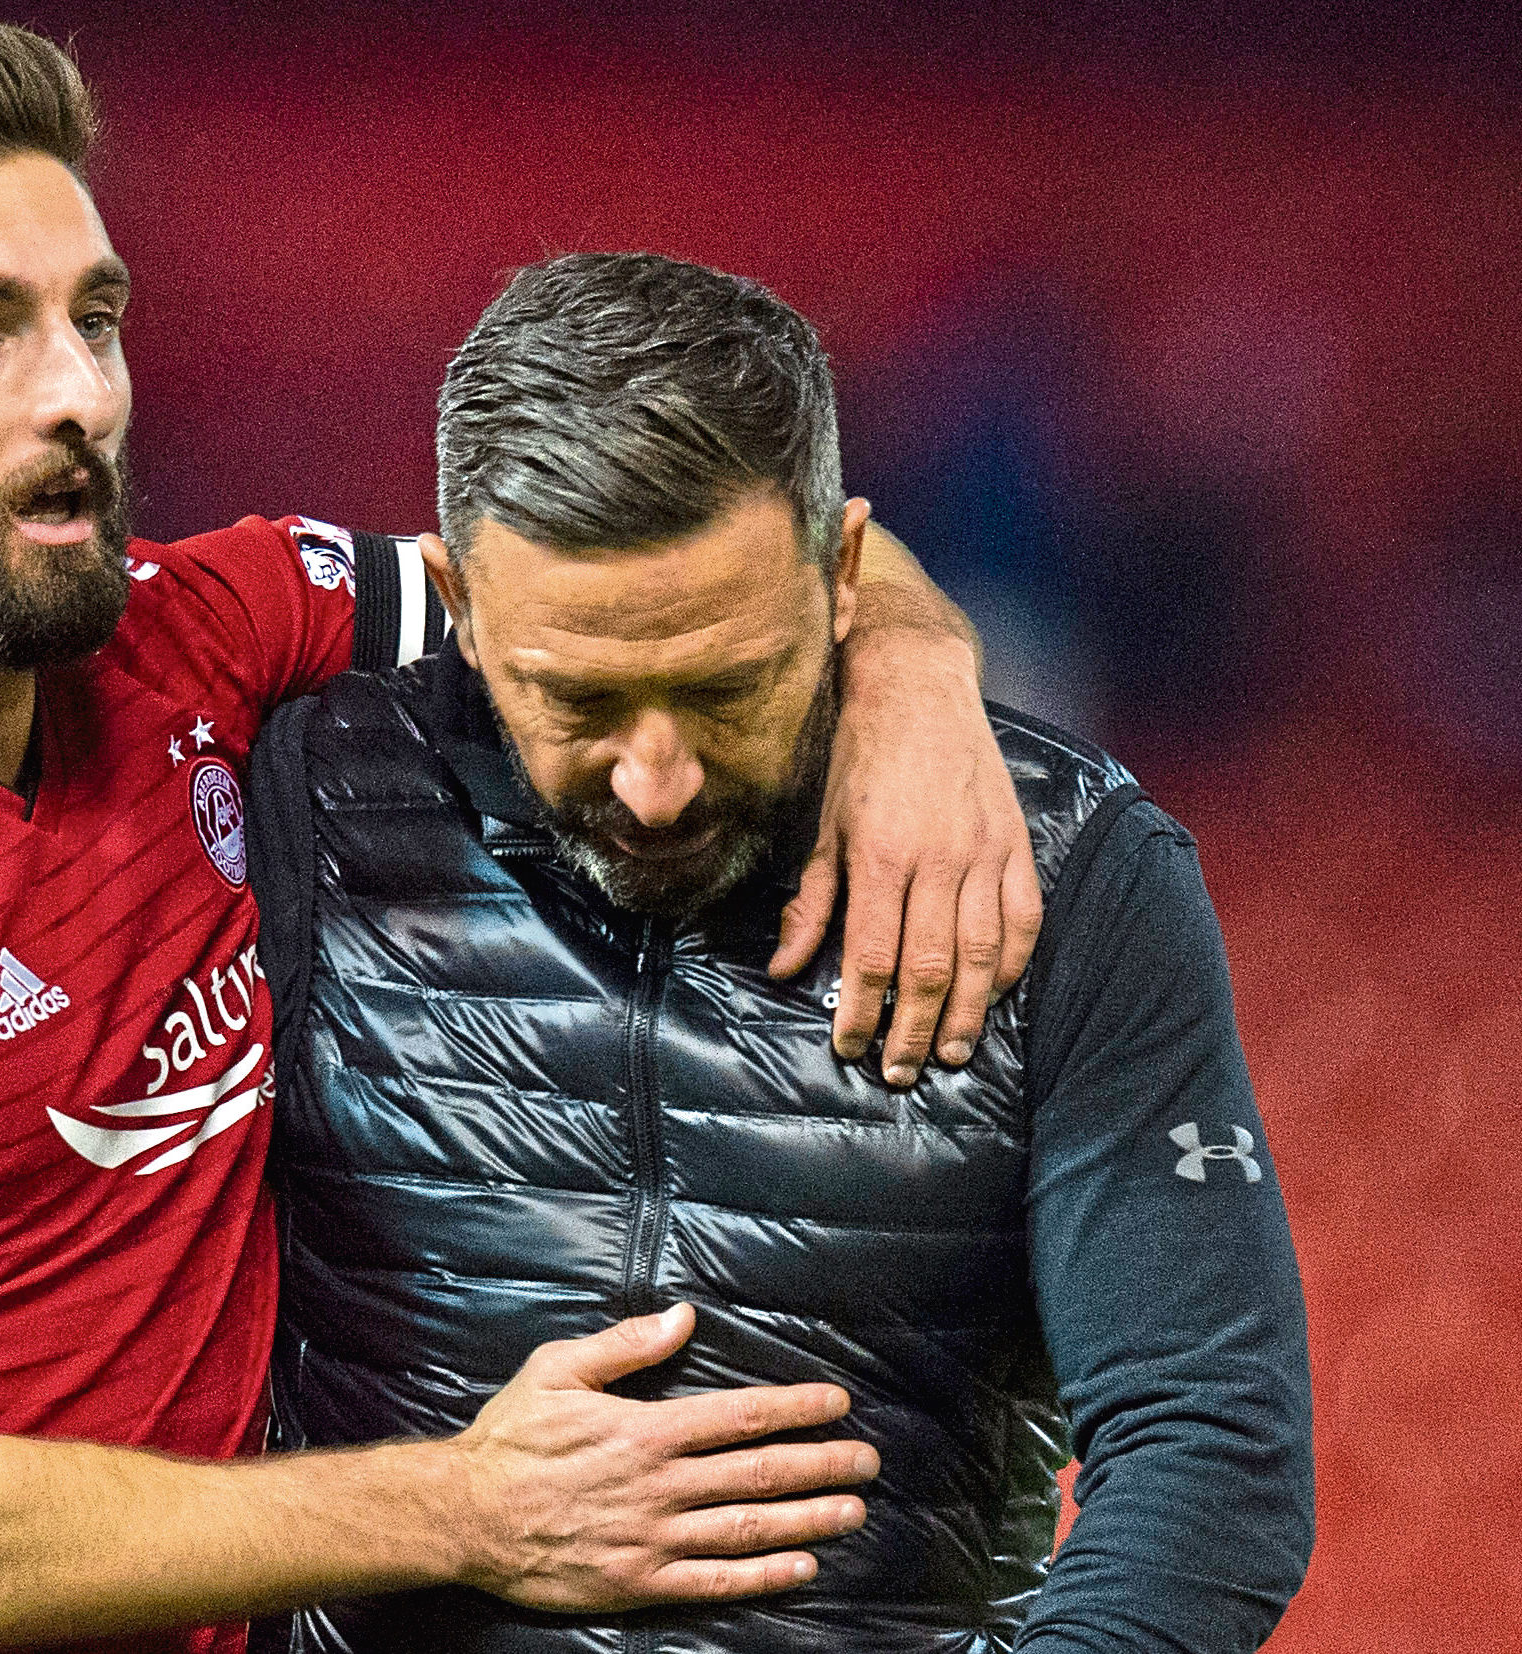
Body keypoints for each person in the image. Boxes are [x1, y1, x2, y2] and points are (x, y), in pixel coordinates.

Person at [0, 17, 1040, 1654]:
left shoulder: (199, 631)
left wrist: (909, 662)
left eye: (90, 319)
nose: (76, 394)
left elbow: (630, 576)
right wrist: (473, 1504)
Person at [238, 254, 1314, 1652]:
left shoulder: (1074, 874)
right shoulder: (287, 803)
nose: (657, 777)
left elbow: (1208, 1446)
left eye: (728, 685)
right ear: (454, 595)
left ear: (846, 575)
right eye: (577, 697)